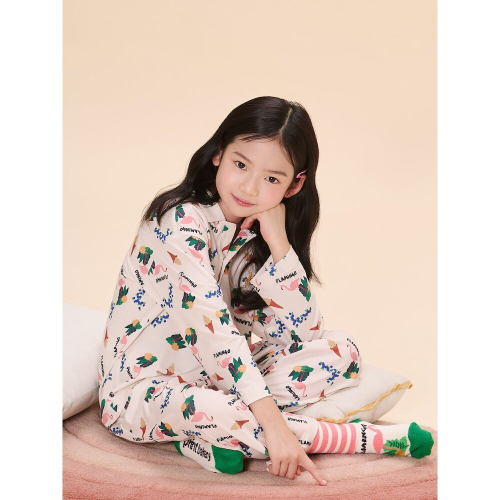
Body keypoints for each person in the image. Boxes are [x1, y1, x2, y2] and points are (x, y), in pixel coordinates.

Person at [98, 96, 433, 486]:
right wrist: (272, 424)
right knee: (227, 411)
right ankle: (364, 439)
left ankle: (199, 440)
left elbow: (302, 336)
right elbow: (213, 332)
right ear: (218, 154)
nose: (250, 187)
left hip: (219, 381)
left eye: (272, 178)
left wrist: (278, 243)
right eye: (241, 165)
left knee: (342, 352)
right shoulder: (179, 221)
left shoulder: (253, 236)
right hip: (140, 392)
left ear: (295, 185)